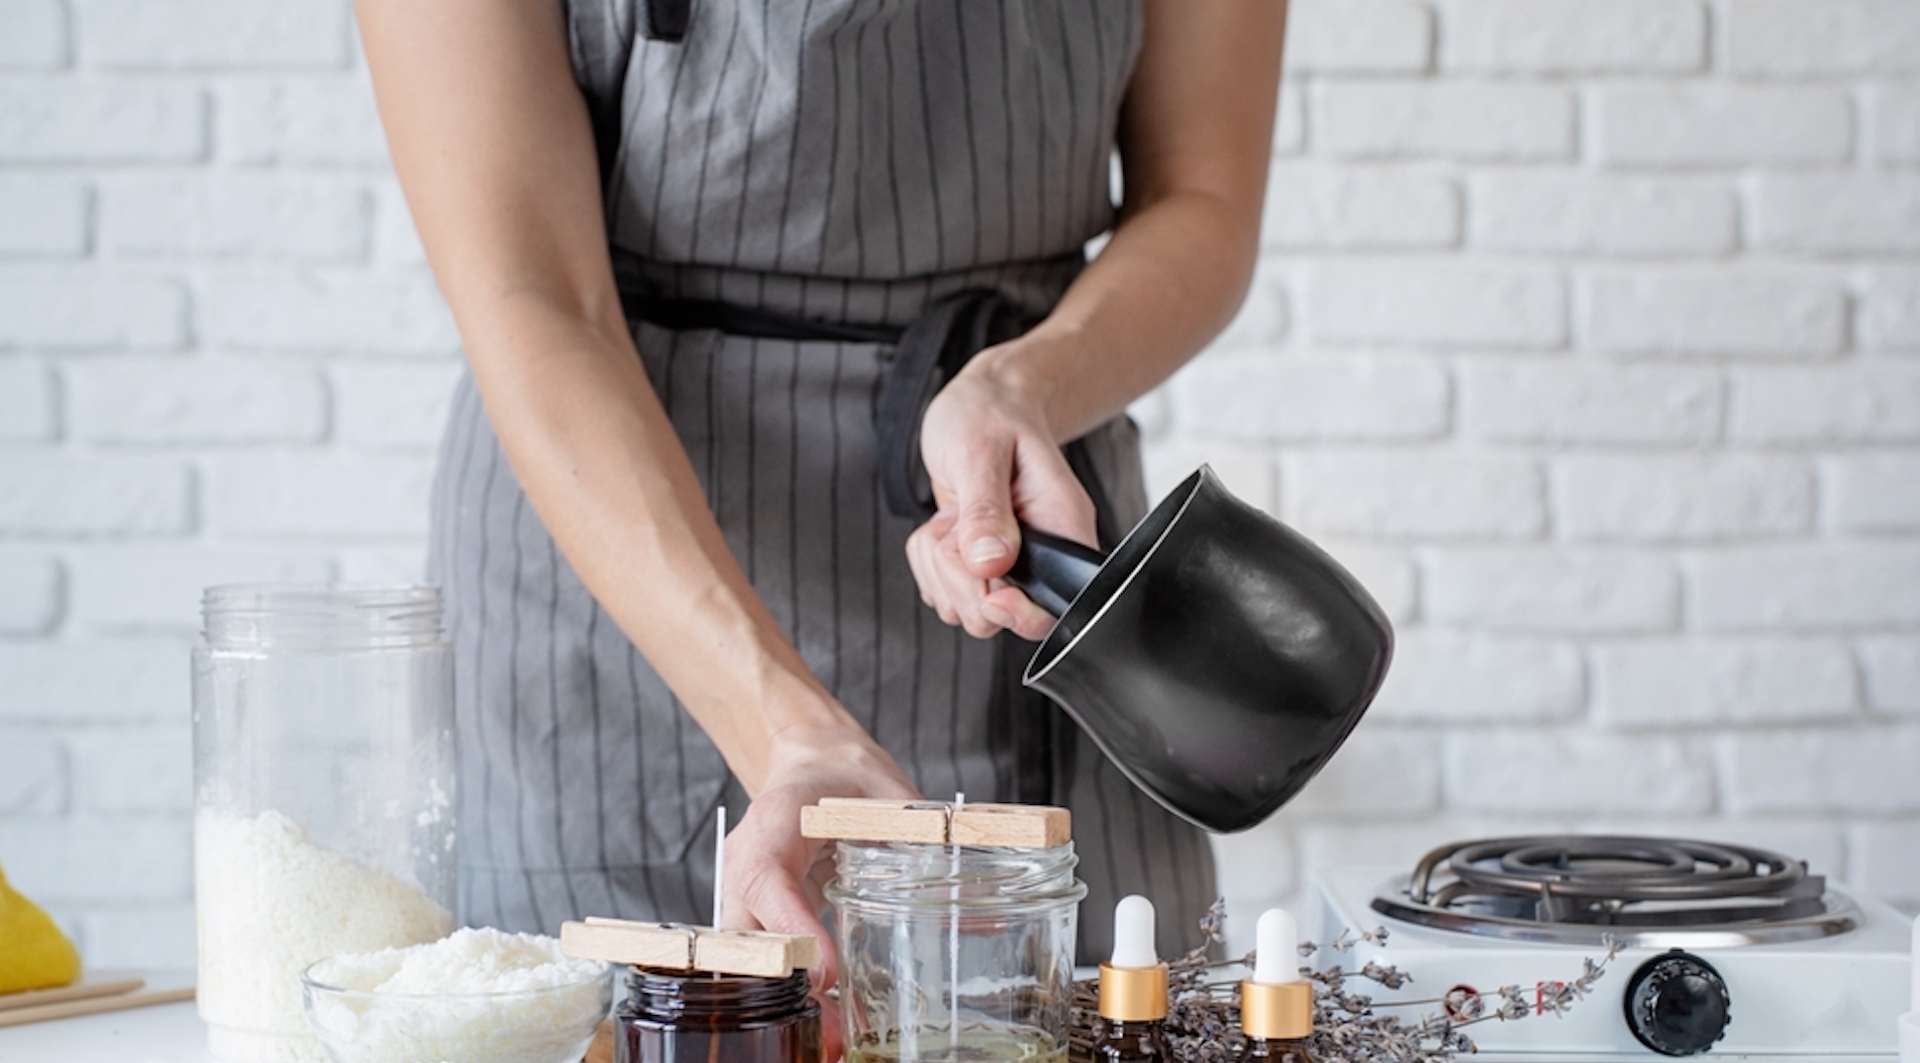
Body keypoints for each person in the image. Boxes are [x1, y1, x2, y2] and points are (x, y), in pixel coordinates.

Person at [356, 0, 1287, 992]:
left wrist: (1028, 383)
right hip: (619, 597)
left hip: (1020, 532)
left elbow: (1203, 197)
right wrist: (780, 725)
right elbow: (533, 295)